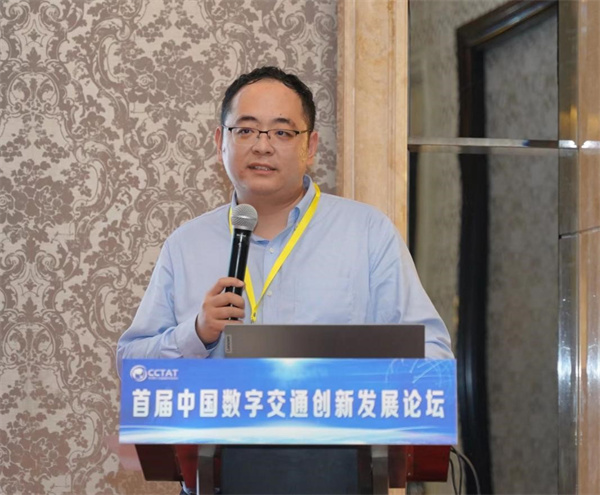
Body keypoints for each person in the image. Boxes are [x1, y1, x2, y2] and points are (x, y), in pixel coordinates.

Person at [117, 66, 452, 369]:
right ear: (220, 142)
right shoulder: (186, 245)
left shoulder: (367, 233)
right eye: (245, 130)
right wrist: (197, 332)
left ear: (311, 146)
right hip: (224, 420)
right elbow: (132, 365)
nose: (262, 147)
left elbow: (431, 352)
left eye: (282, 133)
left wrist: (345, 358)